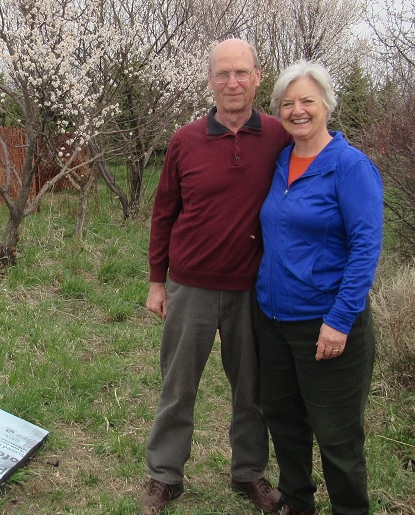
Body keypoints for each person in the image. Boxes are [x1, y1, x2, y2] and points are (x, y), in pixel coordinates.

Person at [140, 38, 291, 515]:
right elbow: (164, 212)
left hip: (254, 288)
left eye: (241, 72)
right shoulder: (185, 141)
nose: (232, 82)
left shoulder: (278, 136)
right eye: (223, 73)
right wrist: (156, 280)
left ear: (257, 77)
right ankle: (165, 475)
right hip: (191, 286)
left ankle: (249, 473)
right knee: (178, 385)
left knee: (252, 390)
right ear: (209, 79)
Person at [256, 60, 383, 515]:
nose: (298, 110)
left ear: (327, 104)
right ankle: (297, 504)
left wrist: (339, 320)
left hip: (326, 325)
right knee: (285, 423)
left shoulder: (350, 167)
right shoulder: (281, 161)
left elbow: (366, 249)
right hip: (271, 320)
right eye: (287, 103)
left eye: (308, 100)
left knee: (337, 437)